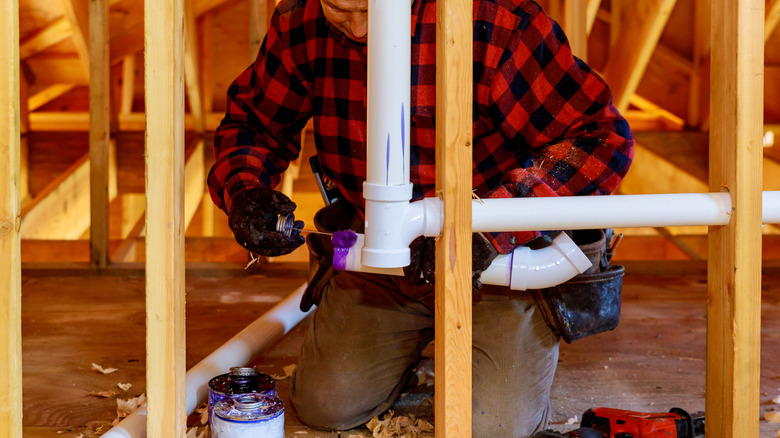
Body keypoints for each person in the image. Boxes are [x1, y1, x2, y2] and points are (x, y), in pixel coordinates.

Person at [207, 0, 634, 436]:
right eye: (339, 9)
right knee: (326, 406)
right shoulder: (298, 21)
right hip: (381, 255)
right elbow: (254, 125)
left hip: (497, 260)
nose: (357, 29)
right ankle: (410, 344)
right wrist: (245, 191)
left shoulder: (495, 23)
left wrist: (492, 225)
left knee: (493, 429)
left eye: (369, 10)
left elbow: (600, 138)